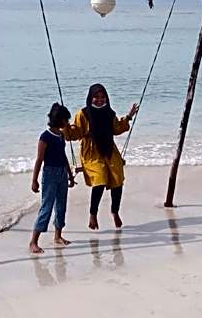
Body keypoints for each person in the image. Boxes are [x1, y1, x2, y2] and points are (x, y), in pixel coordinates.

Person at [64, 83, 138, 231]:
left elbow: (116, 129)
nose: (99, 100)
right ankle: (93, 214)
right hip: (91, 153)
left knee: (118, 179)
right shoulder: (83, 114)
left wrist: (128, 117)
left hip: (109, 149)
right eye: (96, 97)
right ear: (90, 97)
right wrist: (65, 126)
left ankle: (115, 211)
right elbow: (75, 133)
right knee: (100, 180)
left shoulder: (109, 113)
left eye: (102, 97)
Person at [29, 103, 76, 255]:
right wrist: (34, 180)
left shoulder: (61, 136)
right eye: (66, 120)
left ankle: (58, 236)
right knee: (46, 208)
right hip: (49, 174)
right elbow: (39, 159)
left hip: (62, 172)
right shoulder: (45, 136)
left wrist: (69, 175)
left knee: (61, 205)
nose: (67, 123)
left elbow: (63, 157)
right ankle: (33, 242)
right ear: (60, 120)